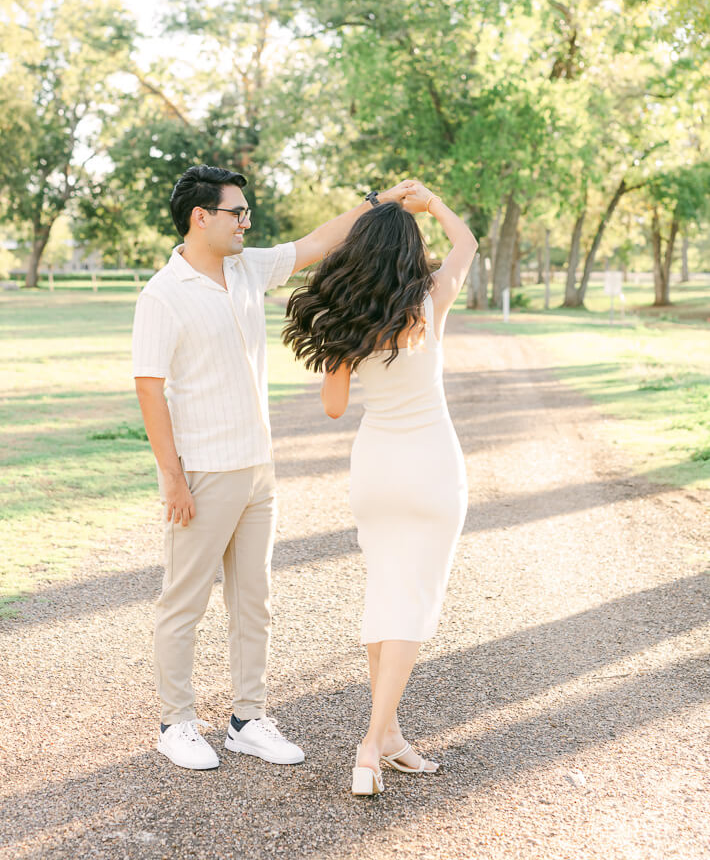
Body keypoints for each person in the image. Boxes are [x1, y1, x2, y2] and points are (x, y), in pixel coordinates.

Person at [132, 164, 415, 771]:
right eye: (236, 212)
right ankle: (175, 722)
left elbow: (320, 241)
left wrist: (380, 200)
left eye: (247, 213)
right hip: (203, 472)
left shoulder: (246, 267)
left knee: (253, 599)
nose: (246, 222)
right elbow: (150, 391)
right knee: (184, 601)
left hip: (258, 466)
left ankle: (246, 718)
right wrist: (173, 478)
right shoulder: (162, 293)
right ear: (199, 217)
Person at [282, 181, 477, 795]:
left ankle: (390, 739)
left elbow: (336, 407)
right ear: (410, 252)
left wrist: (346, 351)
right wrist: (431, 204)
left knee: (385, 596)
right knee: (412, 603)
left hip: (376, 469)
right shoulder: (431, 301)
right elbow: (467, 243)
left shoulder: (352, 324)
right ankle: (370, 746)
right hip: (431, 468)